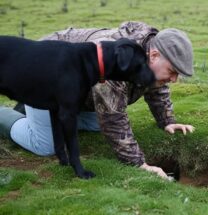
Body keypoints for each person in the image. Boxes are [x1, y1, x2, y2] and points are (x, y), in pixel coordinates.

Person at [0, 21, 195, 180]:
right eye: (172, 71)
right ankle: (7, 113)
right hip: (45, 75)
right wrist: (139, 164)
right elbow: (112, 119)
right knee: (44, 145)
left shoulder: (148, 53)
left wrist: (167, 121)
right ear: (153, 55)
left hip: (78, 90)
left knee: (94, 125)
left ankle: (34, 109)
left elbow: (156, 86)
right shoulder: (117, 61)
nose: (174, 79)